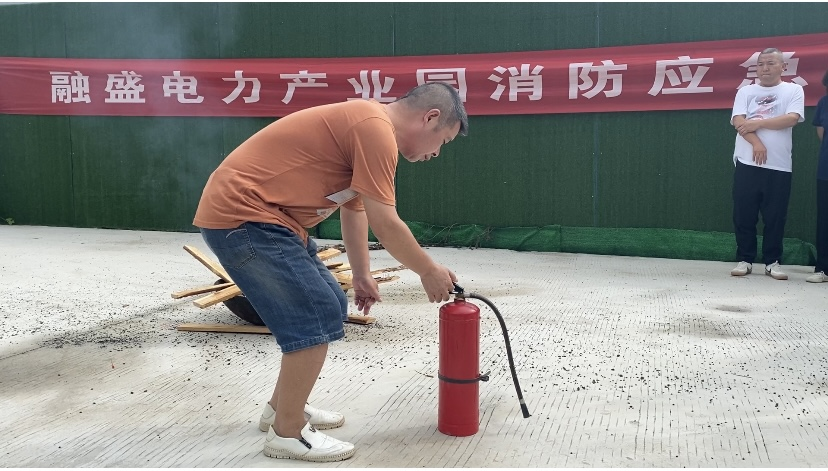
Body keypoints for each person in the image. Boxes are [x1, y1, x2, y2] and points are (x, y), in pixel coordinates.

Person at [192, 82, 468, 462]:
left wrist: (362, 275)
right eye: (443, 141)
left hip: (272, 222)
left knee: (332, 304)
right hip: (245, 217)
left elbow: (356, 211)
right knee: (315, 312)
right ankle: (287, 433)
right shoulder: (374, 128)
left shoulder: (370, 128)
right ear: (430, 117)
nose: (436, 153)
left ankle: (280, 409)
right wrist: (428, 270)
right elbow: (386, 223)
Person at [729, 48, 804, 280]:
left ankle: (772, 262)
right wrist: (757, 143)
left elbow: (791, 118)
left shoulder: (793, 90)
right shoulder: (746, 91)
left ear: (783, 67)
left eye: (770, 63)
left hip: (778, 165)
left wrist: (757, 123)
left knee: (775, 217)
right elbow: (738, 121)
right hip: (747, 161)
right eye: (760, 64)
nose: (764, 68)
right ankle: (745, 259)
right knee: (744, 213)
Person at [807, 69, 828, 283]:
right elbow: (822, 134)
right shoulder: (824, 102)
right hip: (826, 170)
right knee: (825, 220)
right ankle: (824, 268)